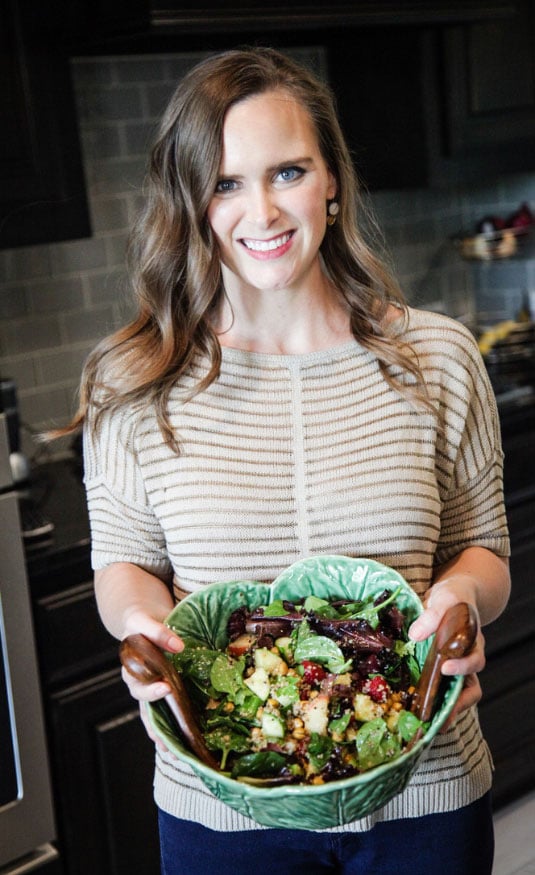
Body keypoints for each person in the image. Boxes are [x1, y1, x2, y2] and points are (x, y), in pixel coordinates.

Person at [70, 47, 510, 874]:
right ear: (189, 202)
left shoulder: (438, 356)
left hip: (423, 793)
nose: (262, 211)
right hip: (221, 804)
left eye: (288, 171)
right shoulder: (133, 379)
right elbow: (122, 563)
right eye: (226, 182)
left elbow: (486, 549)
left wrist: (460, 598)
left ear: (331, 180)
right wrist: (143, 628)